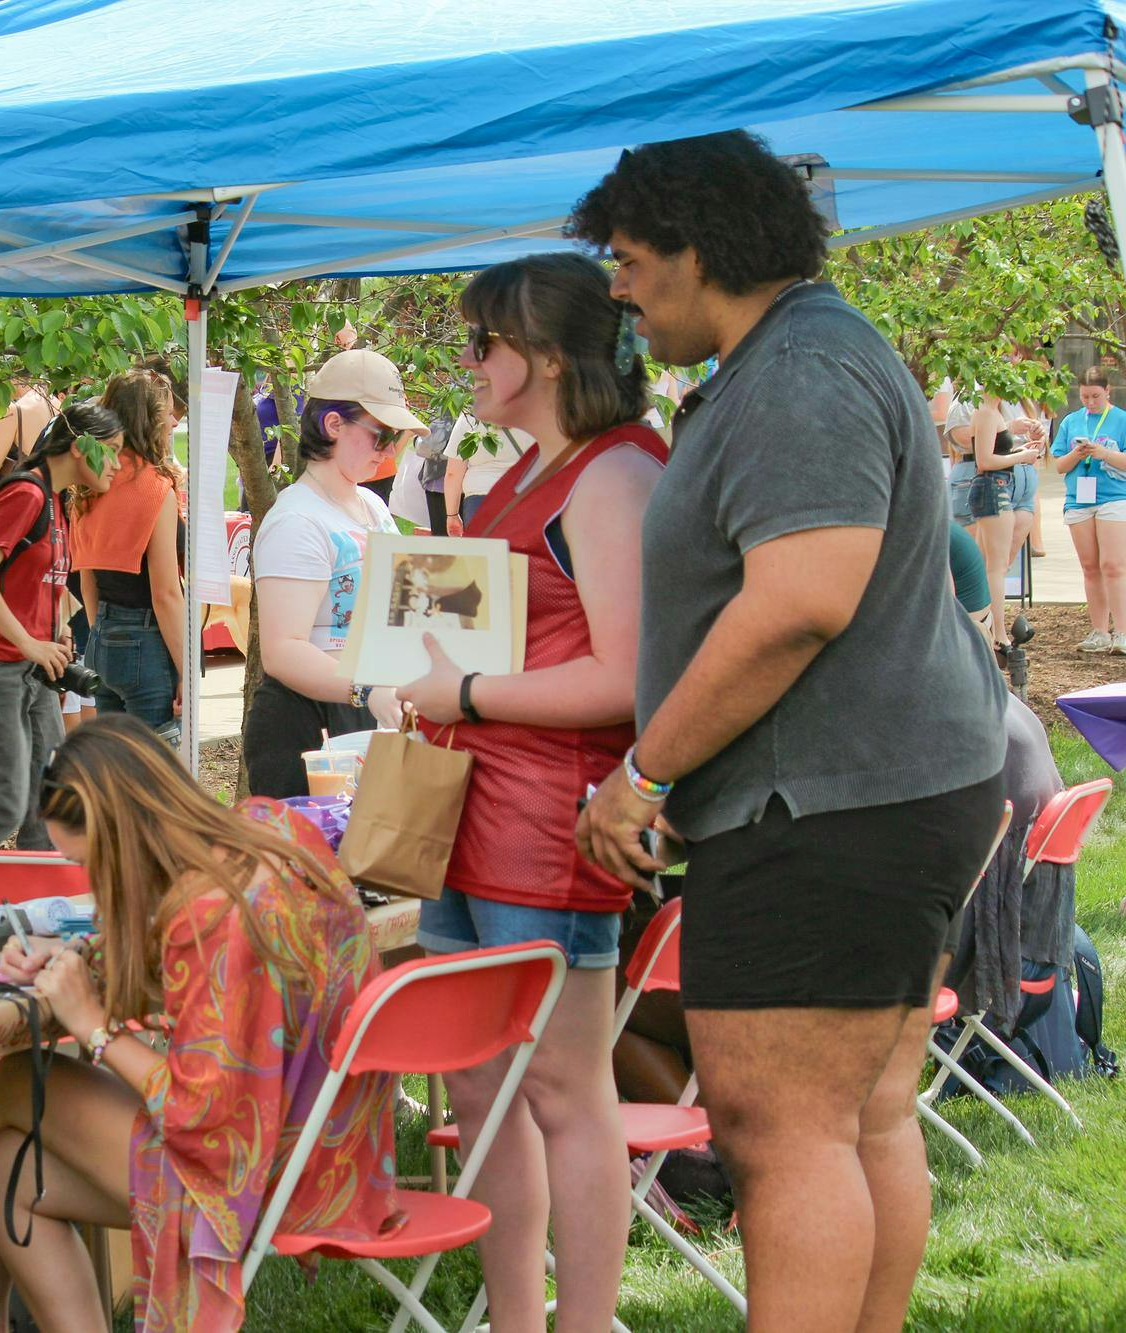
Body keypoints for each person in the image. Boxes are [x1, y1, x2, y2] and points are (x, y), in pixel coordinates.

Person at [569, 131, 1005, 1333]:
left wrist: (642, 771)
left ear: (692, 246)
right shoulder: (797, 354)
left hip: (820, 806)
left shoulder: (798, 370)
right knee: (858, 1117)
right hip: (862, 792)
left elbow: (798, 600)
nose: (613, 285)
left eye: (623, 256)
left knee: (781, 1132)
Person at [0, 716, 402, 1333]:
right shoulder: (264, 829)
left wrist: (95, 1026)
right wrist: (87, 961)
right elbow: (203, 985)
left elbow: (200, 1112)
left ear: (119, 837)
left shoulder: (210, 917)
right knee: (1, 1169)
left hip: (269, 1174)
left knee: (20, 1077)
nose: (89, 881)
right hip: (336, 1149)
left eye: (87, 862)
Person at [395, 252, 665, 1332]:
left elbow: (629, 675)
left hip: (548, 819)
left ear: (544, 356)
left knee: (559, 1088)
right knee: (476, 1087)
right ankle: (517, 1315)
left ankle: (584, 1320)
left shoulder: (611, 474)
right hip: (468, 807)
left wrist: (461, 684)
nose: (464, 362)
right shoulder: (523, 468)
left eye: (481, 342)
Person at [245, 349, 425, 797]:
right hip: (308, 726)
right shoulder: (296, 520)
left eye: (397, 437)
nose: (389, 450)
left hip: (365, 712)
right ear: (333, 425)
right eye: (382, 434)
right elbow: (283, 651)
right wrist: (367, 691)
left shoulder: (373, 507)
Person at [0, 401, 121, 849]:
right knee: (3, 807)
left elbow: (43, 580)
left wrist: (55, 630)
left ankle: (37, 906)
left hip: (31, 670)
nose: (118, 464)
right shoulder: (26, 494)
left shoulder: (57, 502)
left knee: (48, 803)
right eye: (113, 450)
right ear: (82, 447)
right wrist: (28, 642)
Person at [72, 369, 187, 732]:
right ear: (149, 420)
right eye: (165, 413)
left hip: (102, 635)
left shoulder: (91, 481)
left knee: (115, 768)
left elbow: (87, 577)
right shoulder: (154, 487)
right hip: (147, 639)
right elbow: (166, 593)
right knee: (152, 770)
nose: (172, 421)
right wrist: (187, 670)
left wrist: (100, 633)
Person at [946, 392, 1044, 657]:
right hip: (994, 487)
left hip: (1000, 485)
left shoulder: (992, 412)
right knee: (995, 567)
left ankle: (990, 631)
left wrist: (1023, 451)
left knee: (991, 564)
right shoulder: (986, 412)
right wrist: (1020, 457)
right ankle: (998, 636)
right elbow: (985, 462)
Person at [1051, 365, 1126, 653]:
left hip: (1114, 497)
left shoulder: (1120, 419)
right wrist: (1077, 453)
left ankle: (1121, 630)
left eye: (1095, 396)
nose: (1090, 402)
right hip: (1079, 500)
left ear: (1108, 391)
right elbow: (1059, 465)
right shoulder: (1071, 421)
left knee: (1114, 565)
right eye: (1085, 397)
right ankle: (1099, 631)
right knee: (1090, 567)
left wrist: (1104, 453)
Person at [0, 378, 58, 498]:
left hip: (21, 499)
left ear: (13, 377)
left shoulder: (13, 411)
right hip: (52, 500)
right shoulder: (58, 405)